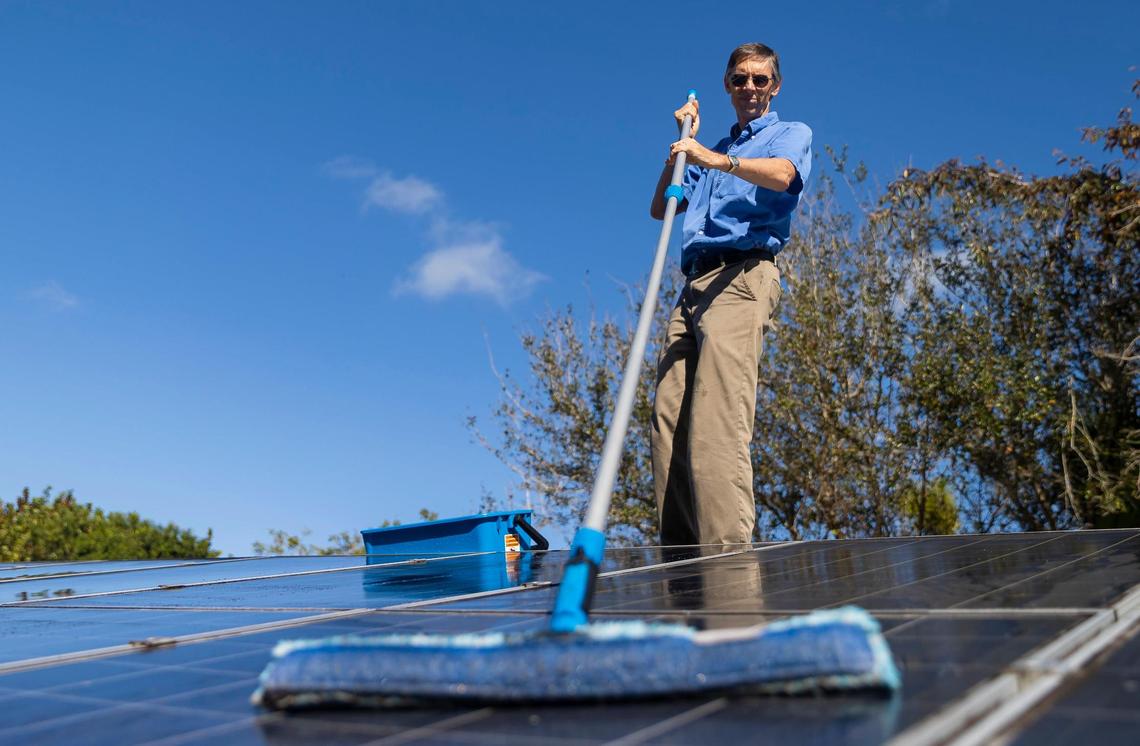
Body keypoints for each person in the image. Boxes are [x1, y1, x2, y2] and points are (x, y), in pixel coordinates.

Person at [650, 42, 812, 546]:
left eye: (759, 80)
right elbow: (662, 207)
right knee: (667, 421)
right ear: (727, 85)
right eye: (740, 79)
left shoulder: (789, 134)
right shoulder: (708, 148)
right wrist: (682, 143)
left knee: (717, 424)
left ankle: (727, 566)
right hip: (693, 285)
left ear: (774, 86)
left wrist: (717, 159)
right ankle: (680, 565)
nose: (749, 88)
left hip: (742, 278)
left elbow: (784, 176)